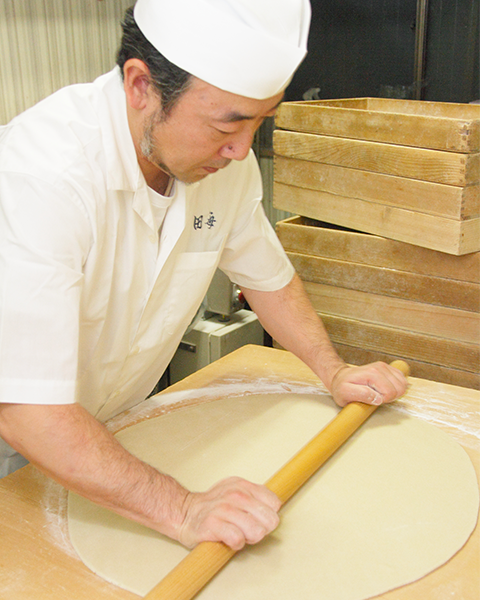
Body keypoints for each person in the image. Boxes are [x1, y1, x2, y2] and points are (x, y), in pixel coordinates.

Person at [0, 0, 407, 551]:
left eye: (260, 122)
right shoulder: (39, 177)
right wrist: (183, 509)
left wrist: (332, 371)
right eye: (229, 124)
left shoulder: (215, 165)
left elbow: (268, 277)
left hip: (106, 432)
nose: (242, 151)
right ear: (141, 86)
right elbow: (26, 408)